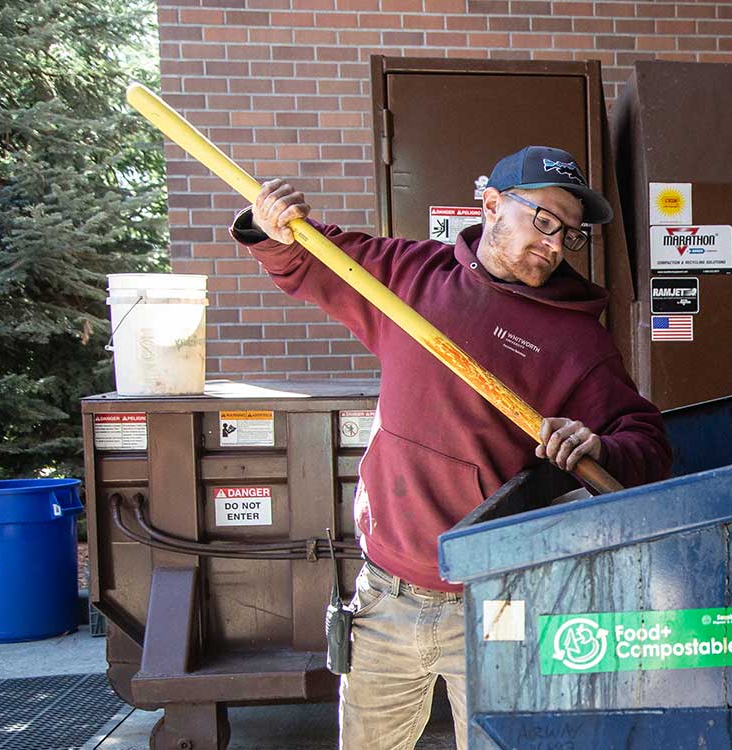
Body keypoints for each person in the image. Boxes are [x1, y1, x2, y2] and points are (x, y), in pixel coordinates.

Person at [230, 145, 671, 749]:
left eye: (569, 234)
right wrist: (271, 225)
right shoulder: (411, 277)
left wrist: (599, 445)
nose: (554, 243)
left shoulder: (576, 341)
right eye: (544, 220)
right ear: (491, 204)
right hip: (385, 591)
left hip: (498, 602)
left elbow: (645, 441)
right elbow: (311, 257)